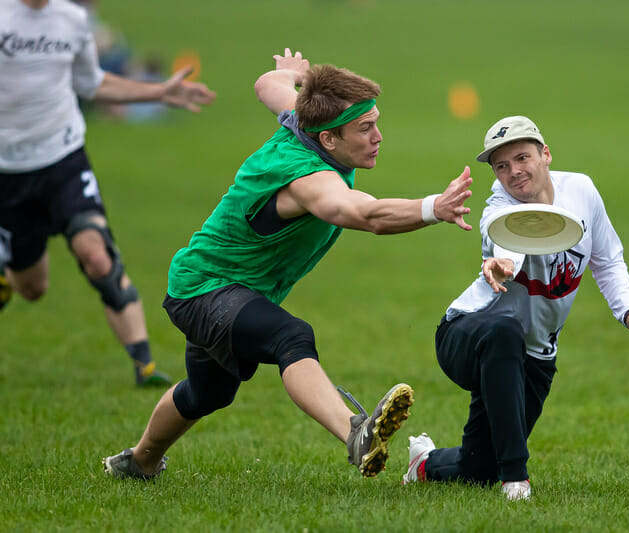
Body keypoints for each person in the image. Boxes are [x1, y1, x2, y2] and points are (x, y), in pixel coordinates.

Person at [102, 48, 473, 480]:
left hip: (218, 285)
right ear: (329, 140)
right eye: (365, 128)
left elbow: (268, 86)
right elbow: (364, 215)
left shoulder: (304, 121)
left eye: (376, 123)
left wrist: (292, 75)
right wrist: (434, 207)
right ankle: (356, 434)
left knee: (208, 393)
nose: (378, 137)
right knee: (291, 336)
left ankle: (140, 461)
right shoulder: (308, 179)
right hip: (205, 288)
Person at [401, 115, 629, 501]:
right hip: (468, 334)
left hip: (534, 355)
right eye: (501, 166)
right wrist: (501, 263)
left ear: (546, 155)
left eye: (522, 158)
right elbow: (505, 239)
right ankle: (516, 481)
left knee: (477, 469)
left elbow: (607, 259)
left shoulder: (583, 191)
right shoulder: (497, 208)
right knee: (504, 329)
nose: (513, 172)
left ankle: (423, 462)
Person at [0, 0, 217, 387]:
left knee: (97, 255)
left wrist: (157, 92)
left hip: (62, 159)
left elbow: (90, 82)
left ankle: (144, 365)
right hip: (9, 172)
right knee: (32, 287)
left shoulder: (72, 20)